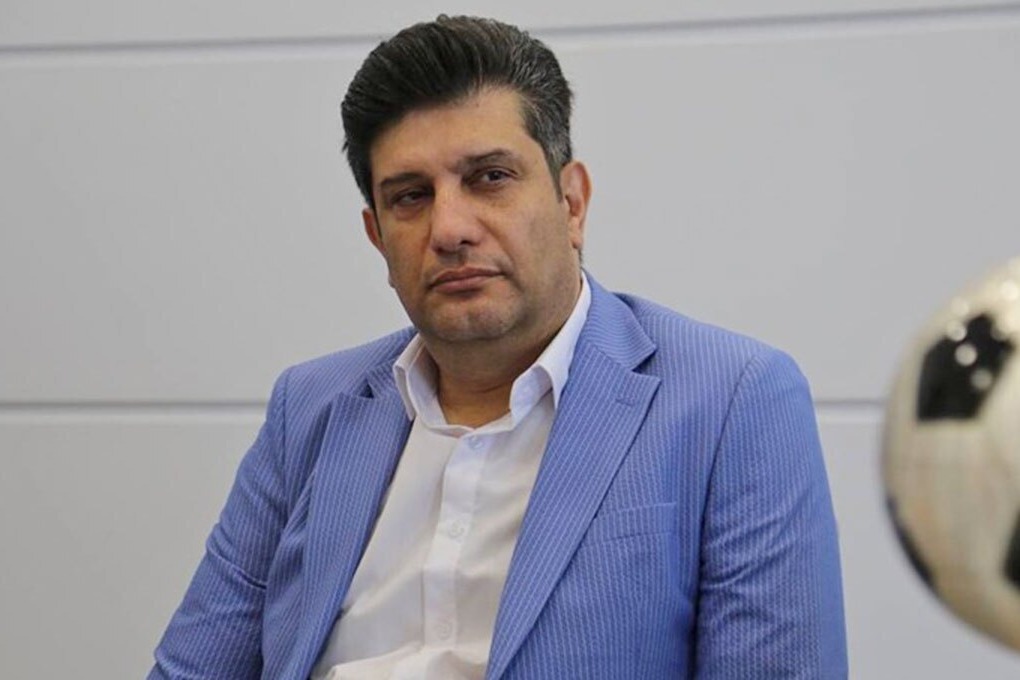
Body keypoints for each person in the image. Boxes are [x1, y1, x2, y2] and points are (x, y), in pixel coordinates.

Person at [150, 15, 847, 679]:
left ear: (572, 203)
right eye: (411, 196)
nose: (449, 228)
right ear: (377, 237)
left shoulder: (732, 400)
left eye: (489, 178)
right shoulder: (309, 408)